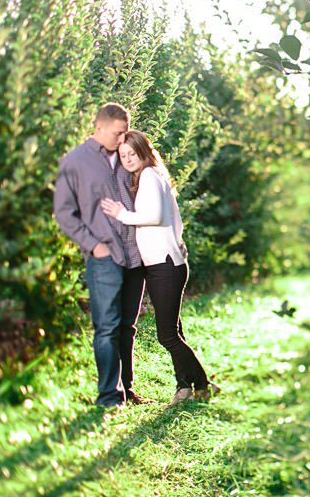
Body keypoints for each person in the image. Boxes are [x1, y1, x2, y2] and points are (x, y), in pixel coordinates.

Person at [100, 130, 219, 407]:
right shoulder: (151, 176)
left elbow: (153, 216)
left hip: (164, 265)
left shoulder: (151, 177)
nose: (128, 159)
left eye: (132, 153)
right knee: (174, 331)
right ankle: (185, 387)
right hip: (163, 263)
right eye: (123, 155)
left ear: (143, 151)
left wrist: (122, 215)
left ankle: (202, 384)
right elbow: (173, 220)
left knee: (166, 335)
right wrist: (177, 243)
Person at [53, 103, 152, 408]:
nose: (123, 139)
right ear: (100, 127)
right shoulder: (74, 162)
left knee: (127, 326)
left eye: (126, 133)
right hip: (104, 256)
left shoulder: (126, 157)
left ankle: (127, 388)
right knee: (106, 326)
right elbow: (64, 213)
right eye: (119, 132)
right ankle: (109, 396)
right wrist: (93, 245)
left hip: (136, 254)